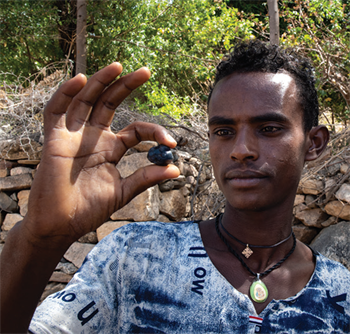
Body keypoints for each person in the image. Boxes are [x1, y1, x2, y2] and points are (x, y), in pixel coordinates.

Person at [0, 40, 349, 333]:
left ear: (314, 143)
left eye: (269, 128)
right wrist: (39, 240)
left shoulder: (341, 295)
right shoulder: (133, 257)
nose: (241, 150)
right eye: (224, 132)